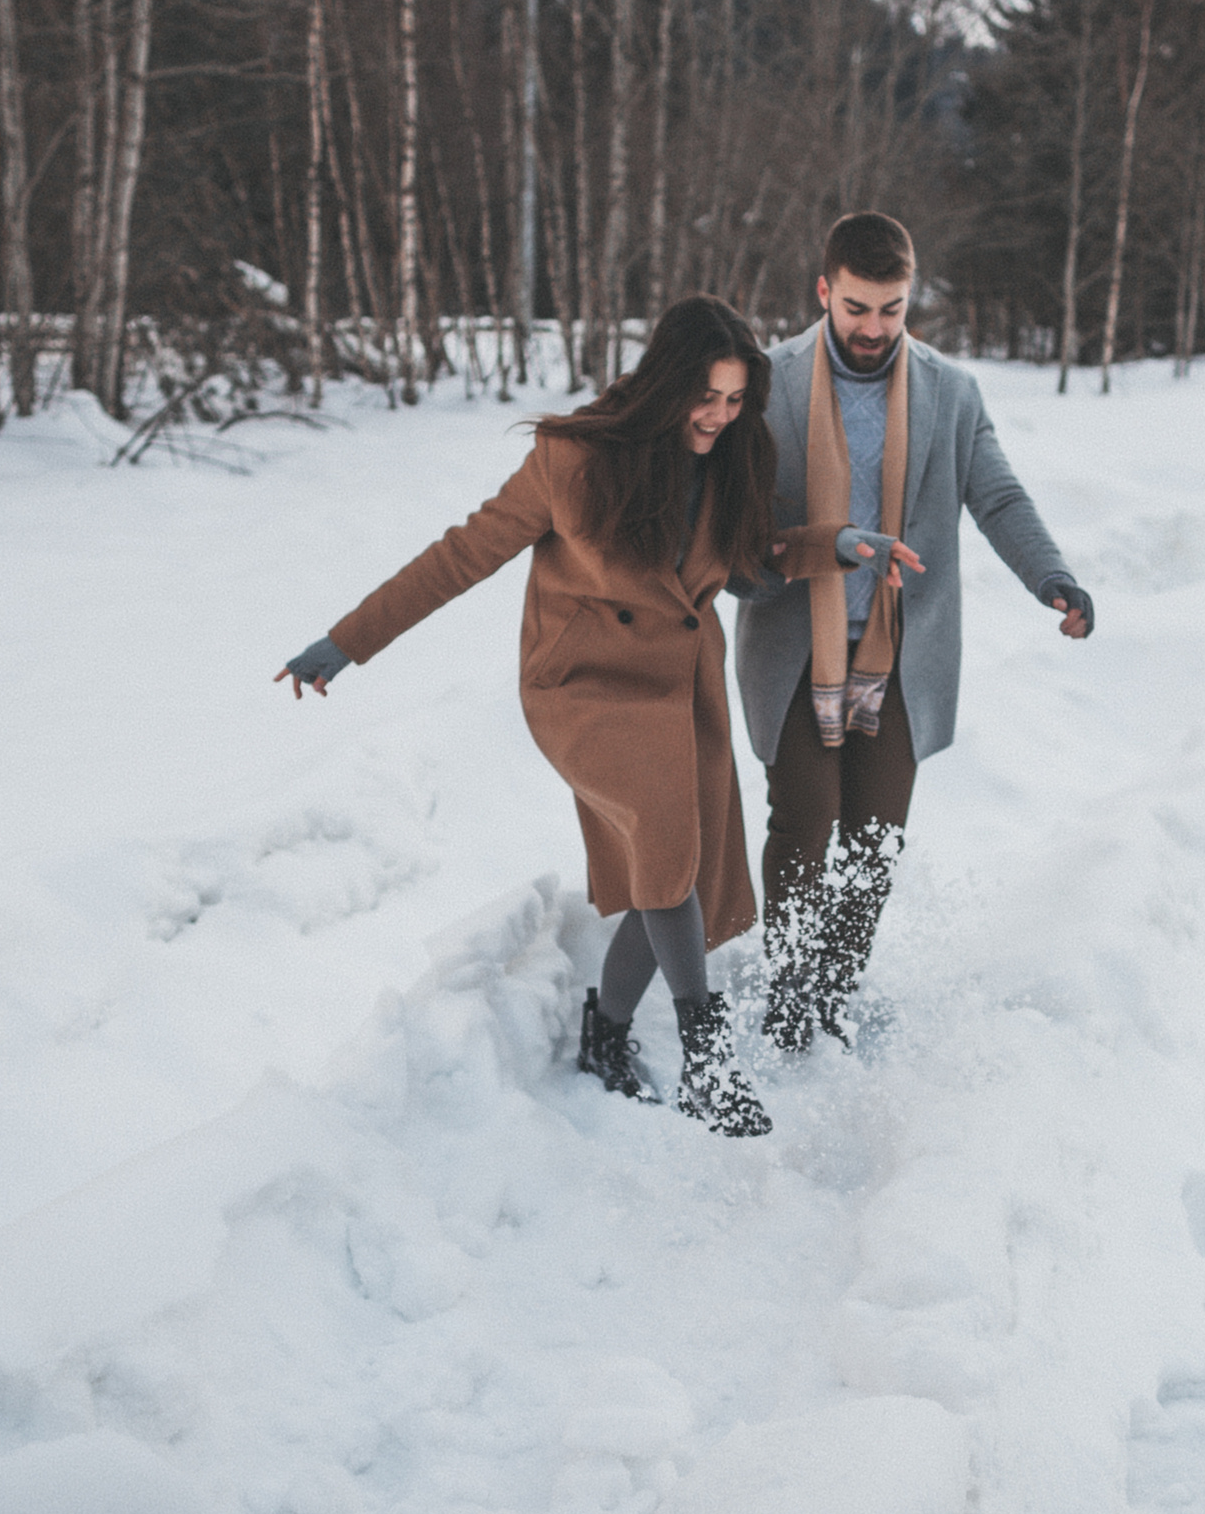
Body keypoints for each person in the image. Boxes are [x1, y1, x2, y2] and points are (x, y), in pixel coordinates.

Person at [276, 295, 842, 1135]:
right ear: (667, 383)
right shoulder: (574, 458)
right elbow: (460, 555)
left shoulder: (731, 455)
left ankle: (604, 1033)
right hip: (583, 685)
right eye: (705, 397)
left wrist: (839, 546)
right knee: (666, 842)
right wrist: (346, 642)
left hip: (679, 683)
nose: (719, 416)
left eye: (733, 400)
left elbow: (751, 565)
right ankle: (707, 1055)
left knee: (673, 869)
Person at [735, 212, 1094, 1052]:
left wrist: (1053, 577)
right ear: (824, 292)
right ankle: (788, 998)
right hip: (796, 643)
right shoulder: (769, 382)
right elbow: (736, 519)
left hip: (900, 652)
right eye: (856, 307)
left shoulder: (951, 392)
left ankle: (832, 992)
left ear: (911, 299)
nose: (873, 327)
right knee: (804, 824)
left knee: (875, 840)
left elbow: (997, 496)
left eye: (891, 309)